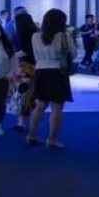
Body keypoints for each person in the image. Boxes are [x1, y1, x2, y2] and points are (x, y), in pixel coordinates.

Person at [27, 8, 75, 149]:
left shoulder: (35, 36)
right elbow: (73, 53)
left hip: (40, 71)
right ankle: (52, 139)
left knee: (40, 105)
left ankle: (31, 134)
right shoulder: (64, 36)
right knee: (57, 107)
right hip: (57, 72)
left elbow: (35, 55)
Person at [11, 10, 38, 132]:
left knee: (22, 93)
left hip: (24, 67)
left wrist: (13, 57)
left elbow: (23, 51)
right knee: (27, 94)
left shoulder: (20, 35)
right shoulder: (36, 34)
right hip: (32, 67)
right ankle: (25, 122)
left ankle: (21, 123)